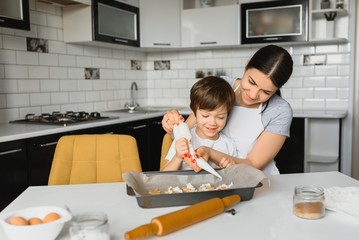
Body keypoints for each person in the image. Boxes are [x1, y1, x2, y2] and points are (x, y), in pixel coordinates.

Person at [162, 44, 293, 175]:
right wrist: (173, 126)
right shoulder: (222, 87)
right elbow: (187, 133)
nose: (253, 95)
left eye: (266, 92)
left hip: (258, 181)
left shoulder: (279, 111)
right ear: (246, 65)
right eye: (251, 82)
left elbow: (253, 164)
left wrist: (211, 153)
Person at [162, 76, 237, 171]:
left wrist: (232, 168)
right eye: (205, 116)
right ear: (194, 113)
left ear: (228, 115)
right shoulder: (183, 139)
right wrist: (177, 157)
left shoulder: (229, 145)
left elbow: (235, 178)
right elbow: (164, 174)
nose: (212, 123)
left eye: (220, 117)